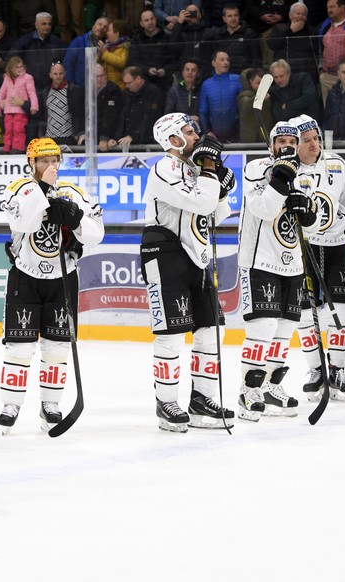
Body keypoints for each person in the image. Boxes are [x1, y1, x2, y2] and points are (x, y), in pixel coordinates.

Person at [0, 137, 104, 434]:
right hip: (25, 276)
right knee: (19, 346)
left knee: (57, 346)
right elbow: (25, 223)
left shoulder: (72, 193)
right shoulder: (17, 189)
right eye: (43, 160)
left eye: (54, 160)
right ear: (30, 163)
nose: (50, 165)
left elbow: (96, 233)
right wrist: (43, 193)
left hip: (63, 276)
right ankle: (11, 404)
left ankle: (51, 404)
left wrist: (74, 217)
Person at [142, 113, 235, 432]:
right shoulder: (163, 167)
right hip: (164, 251)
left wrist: (221, 186)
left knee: (210, 329)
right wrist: (210, 171)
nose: (196, 135)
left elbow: (218, 213)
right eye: (187, 131)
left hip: (196, 253)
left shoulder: (195, 169)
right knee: (169, 333)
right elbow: (199, 204)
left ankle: (202, 400)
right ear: (171, 140)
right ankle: (166, 402)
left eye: (194, 129)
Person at [238, 120, 321, 420]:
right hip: (259, 259)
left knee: (285, 330)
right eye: (280, 140)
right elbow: (262, 209)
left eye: (291, 140)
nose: (286, 145)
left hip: (293, 261)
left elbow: (314, 224)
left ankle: (272, 386)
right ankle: (248, 390)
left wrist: (307, 211)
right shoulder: (255, 168)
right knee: (261, 329)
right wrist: (280, 181)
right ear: (271, 145)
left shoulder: (307, 176)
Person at [289, 114, 345, 402]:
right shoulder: (288, 170)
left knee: (343, 309)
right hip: (303, 248)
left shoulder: (336, 163)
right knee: (306, 311)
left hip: (337, 245)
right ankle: (316, 370)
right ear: (295, 144)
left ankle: (338, 369)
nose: (313, 144)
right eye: (306, 140)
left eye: (316, 138)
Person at [109, 66, 164, 148]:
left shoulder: (153, 92)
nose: (127, 86)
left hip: (146, 144)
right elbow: (121, 118)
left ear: (138, 79)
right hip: (126, 142)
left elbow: (150, 119)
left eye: (129, 83)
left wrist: (134, 136)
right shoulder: (126, 94)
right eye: (125, 83)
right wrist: (116, 138)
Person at [203, 3, 260, 75]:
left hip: (244, 76)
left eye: (235, 15)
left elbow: (256, 59)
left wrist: (248, 76)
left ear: (239, 16)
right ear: (224, 18)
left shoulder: (249, 34)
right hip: (224, 75)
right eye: (230, 16)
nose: (233, 18)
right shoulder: (218, 36)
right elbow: (214, 58)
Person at [0, 56, 38, 153]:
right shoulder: (6, 79)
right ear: (11, 68)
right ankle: (7, 147)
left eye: (21, 67)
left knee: (18, 130)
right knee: (8, 130)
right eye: (17, 67)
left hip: (20, 110)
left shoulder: (28, 78)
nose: (20, 69)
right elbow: (1, 94)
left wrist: (34, 106)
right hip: (8, 110)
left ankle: (17, 148)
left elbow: (32, 92)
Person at [36, 62, 84, 146]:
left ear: (64, 74)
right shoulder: (45, 93)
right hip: (49, 139)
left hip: (69, 138)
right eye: (55, 74)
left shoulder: (74, 91)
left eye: (60, 73)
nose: (58, 76)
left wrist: (78, 134)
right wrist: (41, 135)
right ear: (50, 75)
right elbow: (43, 116)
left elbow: (79, 114)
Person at [198, 50, 242, 142]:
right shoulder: (206, 84)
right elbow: (202, 111)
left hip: (236, 135)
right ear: (213, 63)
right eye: (222, 60)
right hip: (213, 136)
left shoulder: (237, 80)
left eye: (227, 60)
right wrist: (207, 132)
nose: (226, 62)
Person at [129, 10, 174, 93]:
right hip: (144, 82)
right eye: (146, 20)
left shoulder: (166, 37)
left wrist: (165, 70)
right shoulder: (136, 39)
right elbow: (132, 61)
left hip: (164, 82)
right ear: (141, 23)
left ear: (155, 19)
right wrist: (147, 70)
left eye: (152, 19)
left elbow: (175, 60)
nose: (150, 22)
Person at [268, 58, 319, 123]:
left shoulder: (303, 78)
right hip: (289, 127)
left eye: (281, 76)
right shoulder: (274, 91)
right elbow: (279, 116)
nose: (279, 80)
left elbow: (309, 99)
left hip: (309, 122)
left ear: (288, 73)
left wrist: (288, 105)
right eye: (276, 77)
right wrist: (301, 107)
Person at [64, 16, 108, 87]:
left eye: (105, 27)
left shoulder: (106, 45)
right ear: (93, 26)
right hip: (79, 86)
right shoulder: (79, 41)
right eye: (99, 24)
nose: (102, 28)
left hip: (98, 86)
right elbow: (68, 62)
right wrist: (70, 84)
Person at [97, 19, 131, 90]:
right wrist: (100, 55)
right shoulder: (108, 46)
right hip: (106, 87)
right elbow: (97, 66)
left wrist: (105, 53)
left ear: (117, 33)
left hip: (119, 88)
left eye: (109, 30)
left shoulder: (125, 46)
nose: (107, 33)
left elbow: (121, 62)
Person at [324, 61, 345, 138]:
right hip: (334, 139)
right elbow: (327, 116)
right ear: (338, 74)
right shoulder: (332, 93)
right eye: (344, 72)